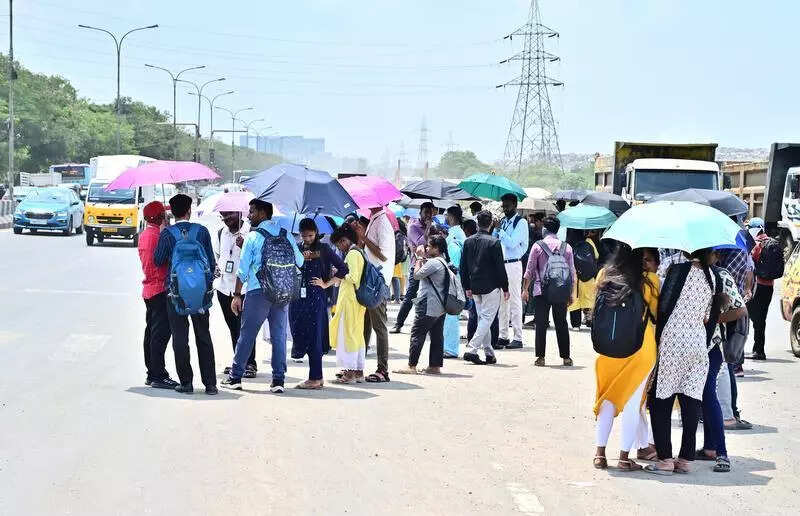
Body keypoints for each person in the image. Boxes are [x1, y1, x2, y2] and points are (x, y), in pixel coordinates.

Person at [646, 248, 723, 475]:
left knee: (660, 400)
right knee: (691, 400)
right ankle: (685, 459)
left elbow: (664, 307)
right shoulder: (714, 277)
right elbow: (711, 316)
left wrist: (658, 337)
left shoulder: (677, 270)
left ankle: (665, 460)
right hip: (698, 342)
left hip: (673, 341)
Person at [221, 199, 304, 393]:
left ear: (262, 213)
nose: (249, 216)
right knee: (279, 336)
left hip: (258, 291)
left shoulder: (253, 237)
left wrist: (237, 295)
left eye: (251, 212)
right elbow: (299, 261)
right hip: (282, 292)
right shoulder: (286, 235)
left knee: (247, 334)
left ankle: (235, 377)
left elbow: (242, 271)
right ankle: (278, 381)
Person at [593, 246, 659, 471]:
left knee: (607, 401)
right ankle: (623, 459)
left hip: (608, 348)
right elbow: (657, 314)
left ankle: (600, 455)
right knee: (632, 405)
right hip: (640, 349)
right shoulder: (649, 280)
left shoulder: (604, 275)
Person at [154, 194, 218, 395]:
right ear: (189, 210)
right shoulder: (202, 231)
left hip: (175, 294)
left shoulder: (167, 234)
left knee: (180, 337)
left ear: (172, 213)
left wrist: (164, 233)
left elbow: (157, 261)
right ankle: (210, 384)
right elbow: (211, 262)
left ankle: (186, 383)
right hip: (200, 294)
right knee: (203, 336)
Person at [696, 252, 747, 473]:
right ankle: (709, 448)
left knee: (707, 393)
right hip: (696, 344)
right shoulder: (693, 275)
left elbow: (740, 310)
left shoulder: (721, 276)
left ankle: (721, 452)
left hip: (711, 345)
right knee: (702, 395)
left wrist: (715, 318)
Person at [289, 218, 349, 389]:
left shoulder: (324, 248)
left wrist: (326, 283)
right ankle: (317, 376)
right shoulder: (297, 248)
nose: (307, 239)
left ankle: (315, 377)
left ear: (316, 233)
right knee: (300, 332)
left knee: (315, 336)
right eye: (303, 236)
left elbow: (343, 268)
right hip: (298, 299)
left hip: (316, 298)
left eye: (310, 235)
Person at [522, 216, 576, 367]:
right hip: (561, 290)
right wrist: (571, 293)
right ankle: (566, 357)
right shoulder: (567, 247)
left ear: (544, 229)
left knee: (541, 323)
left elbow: (530, 270)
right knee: (561, 323)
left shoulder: (538, 246)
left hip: (541, 291)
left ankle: (541, 357)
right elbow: (572, 273)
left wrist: (525, 289)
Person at [395, 235, 450, 374]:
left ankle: (411, 366)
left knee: (417, 333)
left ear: (436, 248)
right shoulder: (442, 261)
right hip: (440, 306)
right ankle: (435, 366)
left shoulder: (434, 263)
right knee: (437, 335)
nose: (426, 248)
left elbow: (417, 275)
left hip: (428, 304)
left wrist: (419, 258)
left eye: (429, 246)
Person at [137, 201, 178, 389]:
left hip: (149, 289)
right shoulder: (160, 236)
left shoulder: (144, 235)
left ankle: (151, 371)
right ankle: (158, 374)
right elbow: (162, 261)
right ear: (162, 217)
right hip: (160, 288)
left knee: (151, 332)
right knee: (160, 335)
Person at [461, 210, 509, 365]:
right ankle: (472, 348)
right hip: (491, 286)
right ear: (491, 224)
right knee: (487, 318)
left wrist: (466, 286)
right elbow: (500, 268)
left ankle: (489, 353)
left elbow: (463, 267)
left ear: (477, 223)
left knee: (484, 319)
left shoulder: (468, 241)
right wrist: (506, 287)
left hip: (474, 285)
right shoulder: (494, 242)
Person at [355, 207, 395, 383]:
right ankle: (358, 367)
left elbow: (383, 255)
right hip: (371, 280)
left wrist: (363, 237)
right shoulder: (374, 219)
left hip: (377, 282)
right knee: (365, 325)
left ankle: (382, 369)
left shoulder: (382, 222)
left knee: (379, 326)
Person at [215, 211, 255, 377]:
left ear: (239, 213)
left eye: (229, 215)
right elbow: (218, 255)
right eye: (223, 216)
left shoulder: (251, 233)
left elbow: (257, 259)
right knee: (233, 327)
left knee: (245, 328)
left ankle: (250, 364)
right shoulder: (220, 233)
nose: (226, 219)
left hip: (244, 288)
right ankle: (238, 362)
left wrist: (244, 245)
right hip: (224, 288)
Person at [329, 224, 367, 384]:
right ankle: (357, 371)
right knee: (356, 334)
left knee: (348, 335)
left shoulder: (352, 254)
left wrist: (339, 272)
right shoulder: (358, 252)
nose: (339, 247)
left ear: (345, 240)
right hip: (356, 300)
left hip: (350, 299)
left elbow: (353, 278)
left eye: (339, 243)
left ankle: (350, 372)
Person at [392, 201, 435, 333]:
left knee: (430, 295)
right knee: (411, 295)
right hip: (416, 265)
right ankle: (398, 324)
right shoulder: (413, 226)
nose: (428, 215)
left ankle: (427, 325)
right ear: (420, 212)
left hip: (430, 265)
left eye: (430, 212)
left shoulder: (432, 226)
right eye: (426, 212)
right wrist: (428, 229)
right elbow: (421, 243)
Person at [494, 193, 529, 349]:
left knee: (514, 300)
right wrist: (495, 230)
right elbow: (495, 241)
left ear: (515, 205)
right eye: (503, 206)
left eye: (507, 206)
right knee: (502, 301)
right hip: (501, 264)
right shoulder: (504, 222)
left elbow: (513, 243)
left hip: (513, 264)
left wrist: (500, 231)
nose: (505, 209)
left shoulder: (521, 223)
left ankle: (518, 337)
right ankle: (503, 335)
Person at [747, 218, 775, 360]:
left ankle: (758, 350)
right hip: (769, 286)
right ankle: (759, 349)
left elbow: (751, 265)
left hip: (758, 285)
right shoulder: (771, 242)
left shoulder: (756, 244)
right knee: (762, 318)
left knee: (754, 318)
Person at [443, 205, 466, 358]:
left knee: (451, 316)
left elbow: (455, 257)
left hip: (453, 278)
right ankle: (447, 346)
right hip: (452, 277)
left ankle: (451, 349)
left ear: (451, 216)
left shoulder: (457, 234)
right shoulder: (454, 233)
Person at [569, 229, 600, 329]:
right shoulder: (589, 242)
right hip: (589, 277)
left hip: (575, 277)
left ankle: (575, 325)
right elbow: (596, 256)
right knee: (589, 299)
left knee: (575, 301)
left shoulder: (569, 243)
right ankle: (589, 320)